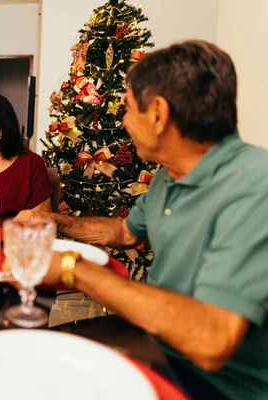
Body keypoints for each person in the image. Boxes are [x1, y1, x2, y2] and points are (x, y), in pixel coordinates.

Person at [16, 40, 268, 399]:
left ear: (159, 114)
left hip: (218, 384)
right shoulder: (169, 174)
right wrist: (55, 222)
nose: (123, 121)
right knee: (35, 353)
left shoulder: (256, 185)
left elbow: (211, 340)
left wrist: (74, 269)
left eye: (129, 109)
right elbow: (124, 232)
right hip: (159, 345)